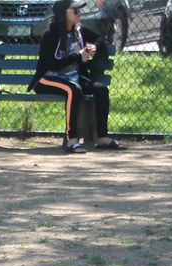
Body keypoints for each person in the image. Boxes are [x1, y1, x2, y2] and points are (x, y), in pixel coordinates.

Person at [29, 0, 127, 153]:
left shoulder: (79, 30)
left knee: (101, 90)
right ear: (63, 14)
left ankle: (102, 137)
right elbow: (52, 64)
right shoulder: (50, 34)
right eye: (75, 11)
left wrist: (94, 46)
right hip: (47, 78)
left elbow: (100, 38)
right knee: (73, 89)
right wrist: (77, 57)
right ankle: (71, 139)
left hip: (72, 77)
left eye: (79, 10)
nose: (79, 13)